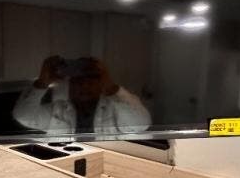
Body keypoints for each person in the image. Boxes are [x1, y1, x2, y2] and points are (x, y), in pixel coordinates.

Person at [13, 56, 151, 135]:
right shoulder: (58, 111)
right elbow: (24, 117)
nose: (84, 86)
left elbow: (140, 125)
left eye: (91, 81)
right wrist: (42, 82)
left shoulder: (115, 109)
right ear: (69, 84)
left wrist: (111, 87)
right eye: (78, 81)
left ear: (101, 83)